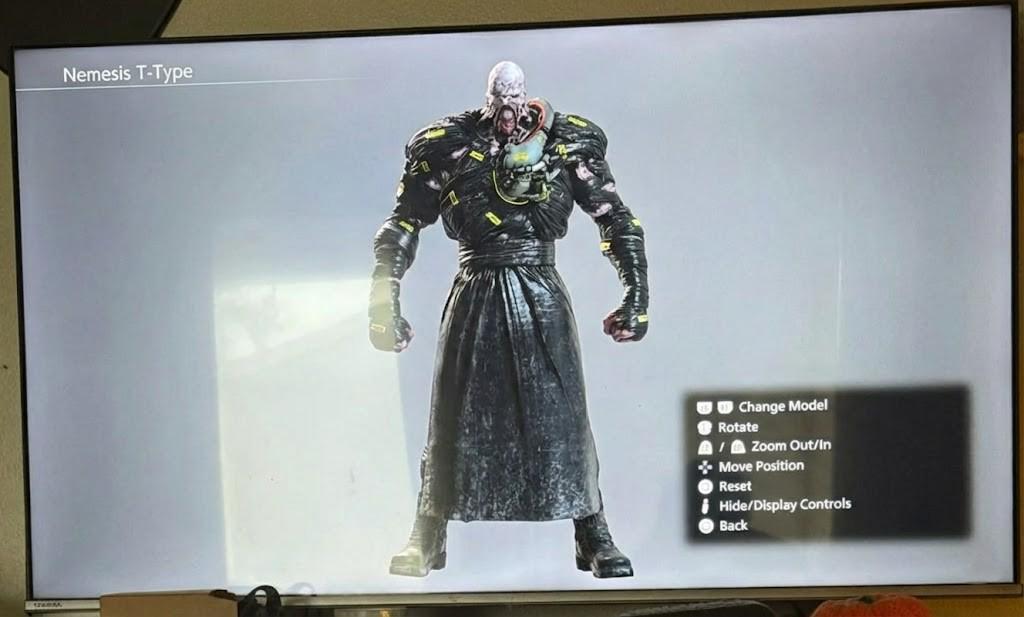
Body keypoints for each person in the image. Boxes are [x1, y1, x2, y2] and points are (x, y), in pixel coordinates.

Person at [368, 61, 649, 578]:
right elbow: (403, 222)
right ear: (488, 101)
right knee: (453, 415)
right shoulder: (447, 145)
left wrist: (636, 294)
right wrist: (383, 301)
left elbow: (615, 217)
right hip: (475, 290)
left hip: (541, 290)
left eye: (516, 104)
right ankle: (428, 529)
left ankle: (593, 530)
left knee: (563, 415)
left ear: (527, 100)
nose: (508, 115)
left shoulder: (567, 143)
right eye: (500, 104)